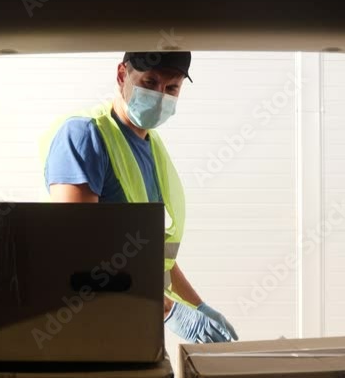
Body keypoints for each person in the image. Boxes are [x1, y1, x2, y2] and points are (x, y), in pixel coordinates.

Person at [40, 51, 238, 343]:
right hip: (82, 328)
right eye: (150, 82)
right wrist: (170, 311)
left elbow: (154, 256)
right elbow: (76, 250)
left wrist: (198, 307)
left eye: (172, 88)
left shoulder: (151, 147)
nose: (160, 96)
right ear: (122, 75)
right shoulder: (84, 135)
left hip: (133, 327)